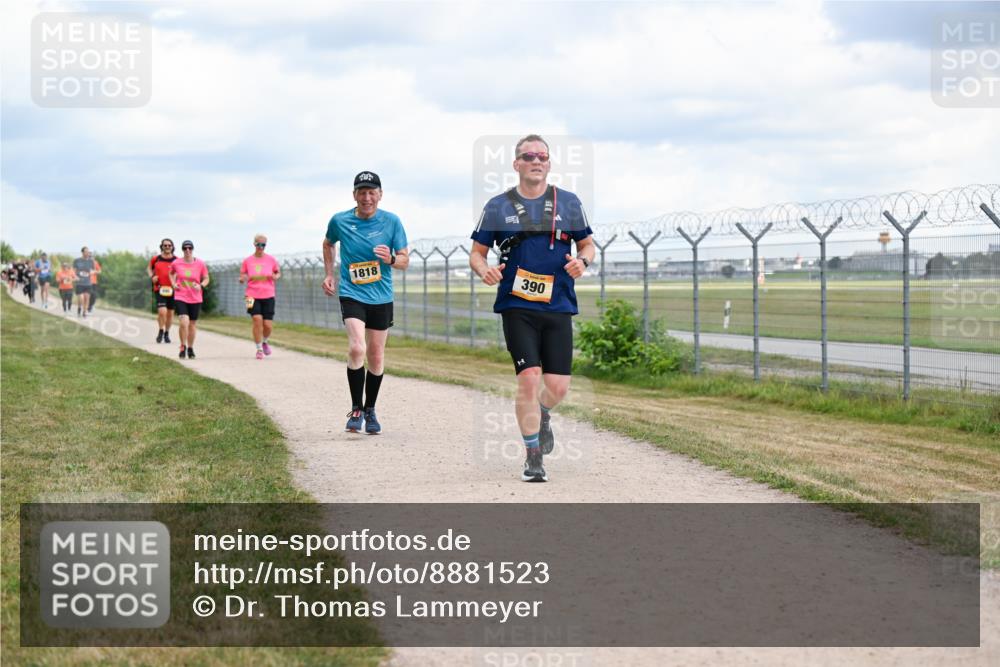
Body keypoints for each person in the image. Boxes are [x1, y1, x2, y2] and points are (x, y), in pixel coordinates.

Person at [469, 134, 595, 482]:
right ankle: (533, 456)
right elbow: (477, 253)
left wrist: (583, 261)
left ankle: (542, 413)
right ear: (517, 164)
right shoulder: (498, 206)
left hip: (558, 304)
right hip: (517, 305)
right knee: (528, 378)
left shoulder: (569, 202)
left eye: (542, 156)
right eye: (529, 156)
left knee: (558, 387)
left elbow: (587, 245)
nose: (536, 161)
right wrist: (484, 270)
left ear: (549, 164)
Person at [322, 171, 409, 434]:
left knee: (376, 355)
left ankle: (370, 409)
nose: (367, 198)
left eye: (372, 192)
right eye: (362, 192)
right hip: (352, 293)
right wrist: (329, 273)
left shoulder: (392, 222)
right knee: (357, 348)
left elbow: (404, 260)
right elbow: (328, 243)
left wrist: (390, 259)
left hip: (381, 296)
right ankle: (356, 409)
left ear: (380, 195)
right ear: (354, 195)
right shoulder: (340, 220)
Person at [239, 234, 281, 360]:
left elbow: (278, 272)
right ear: (254, 244)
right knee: (256, 319)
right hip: (250, 295)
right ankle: (259, 349)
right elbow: (242, 275)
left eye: (263, 245)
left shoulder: (271, 260)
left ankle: (265, 342)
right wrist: (242, 279)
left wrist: (275, 276)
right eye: (259, 244)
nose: (261, 247)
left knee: (267, 325)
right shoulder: (247, 261)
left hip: (269, 294)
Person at [169, 240, 210, 359]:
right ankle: (183, 346)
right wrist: (173, 284)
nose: (187, 250)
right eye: (185, 248)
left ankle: (190, 348)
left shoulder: (200, 264)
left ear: (192, 249)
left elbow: (206, 278)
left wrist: (201, 285)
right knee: (184, 322)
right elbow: (170, 273)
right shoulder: (176, 263)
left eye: (190, 248)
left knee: (192, 324)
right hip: (180, 296)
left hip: (195, 297)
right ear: (182, 250)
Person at [148, 239, 177, 343]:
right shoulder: (156, 259)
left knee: (170, 313)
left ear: (172, 247)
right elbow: (149, 268)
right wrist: (152, 277)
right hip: (159, 288)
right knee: (162, 312)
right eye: (165, 245)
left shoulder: (177, 260)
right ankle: (161, 330)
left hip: (173, 289)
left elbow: (181, 272)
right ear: (162, 247)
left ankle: (166, 333)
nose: (167, 247)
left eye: (169, 245)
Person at [72, 247, 95, 317]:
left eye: (88, 252)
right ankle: (79, 307)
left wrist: (92, 272)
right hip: (79, 282)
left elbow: (92, 270)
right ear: (82, 252)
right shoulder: (77, 260)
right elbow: (73, 271)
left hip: (88, 283)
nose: (87, 253)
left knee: (87, 298)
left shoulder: (91, 261)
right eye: (86, 252)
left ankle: (84, 312)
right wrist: (75, 277)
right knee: (81, 298)